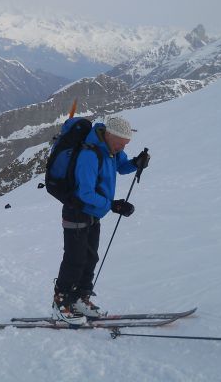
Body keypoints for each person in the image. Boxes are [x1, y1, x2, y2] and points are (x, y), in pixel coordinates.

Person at [52, 116, 150, 325]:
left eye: (126, 145)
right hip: (76, 212)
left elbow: (121, 166)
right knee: (74, 259)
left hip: (94, 214)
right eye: (121, 143)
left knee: (90, 258)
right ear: (110, 135)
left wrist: (136, 163)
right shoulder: (89, 154)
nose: (123, 147)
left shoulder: (110, 150)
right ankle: (61, 303)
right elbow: (85, 193)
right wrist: (112, 205)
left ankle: (79, 299)